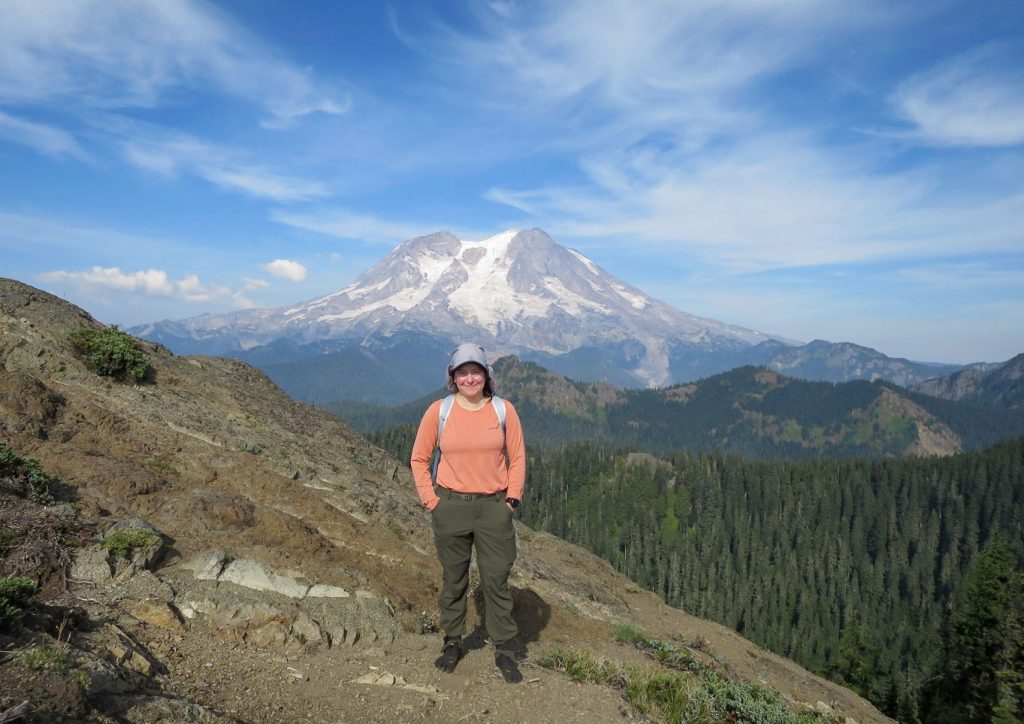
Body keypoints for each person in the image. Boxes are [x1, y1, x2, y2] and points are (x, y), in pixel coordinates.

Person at [410, 343, 526, 683]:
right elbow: (419, 458)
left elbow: (517, 458)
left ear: (486, 375)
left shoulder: (504, 411)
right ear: (453, 376)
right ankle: (452, 641)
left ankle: (505, 649)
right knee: (454, 579)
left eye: (476, 371)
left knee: (496, 581)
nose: (470, 378)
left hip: (493, 507)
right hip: (451, 506)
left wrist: (511, 502)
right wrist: (432, 502)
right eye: (463, 372)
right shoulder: (439, 411)